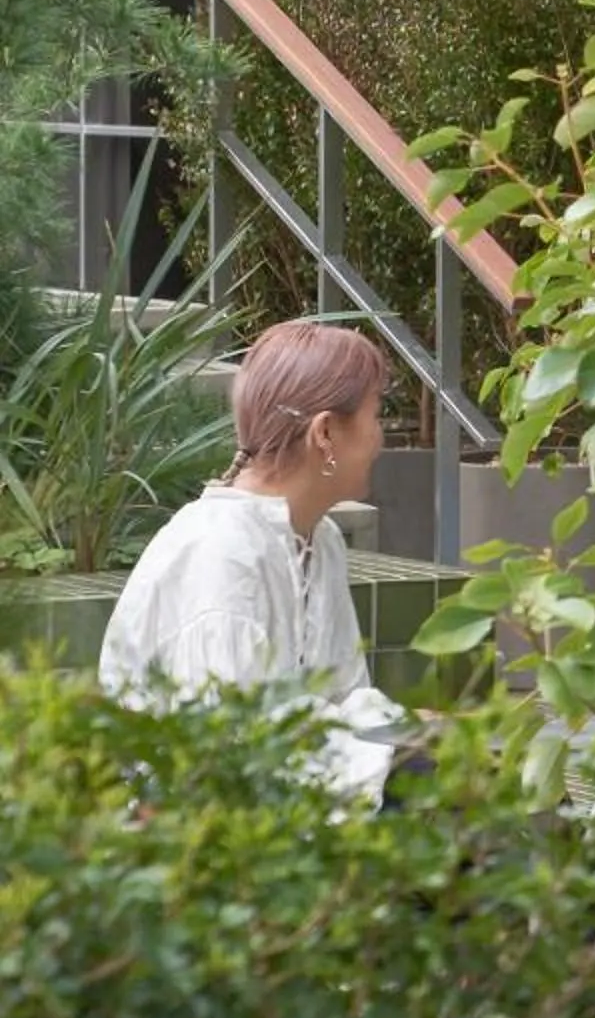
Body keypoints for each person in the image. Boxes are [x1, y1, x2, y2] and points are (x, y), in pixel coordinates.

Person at [99, 317, 404, 801]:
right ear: (326, 433)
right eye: (375, 415)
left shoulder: (319, 538)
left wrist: (406, 736)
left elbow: (343, 696)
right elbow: (228, 756)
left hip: (299, 798)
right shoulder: (220, 555)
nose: (380, 438)